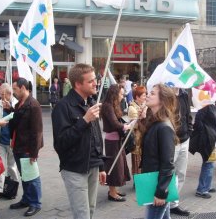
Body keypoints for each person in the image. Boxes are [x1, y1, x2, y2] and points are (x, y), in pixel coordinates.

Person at [52, 63, 106, 219]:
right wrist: (84, 120)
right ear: (78, 84)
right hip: (75, 168)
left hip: (93, 166)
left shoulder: (89, 102)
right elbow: (61, 143)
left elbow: (96, 137)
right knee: (82, 214)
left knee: (90, 209)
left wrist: (101, 165)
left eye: (95, 79)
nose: (95, 83)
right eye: (90, 81)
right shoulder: (63, 107)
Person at [138, 84, 178, 219]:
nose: (148, 95)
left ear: (162, 99)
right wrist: (142, 120)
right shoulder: (155, 121)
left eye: (153, 93)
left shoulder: (164, 126)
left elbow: (168, 162)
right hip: (152, 180)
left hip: (158, 183)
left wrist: (161, 191)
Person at [8, 78, 43, 217]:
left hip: (28, 149)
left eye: (15, 89)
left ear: (23, 88)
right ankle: (26, 199)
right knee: (25, 176)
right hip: (18, 145)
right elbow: (17, 120)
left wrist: (34, 153)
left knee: (32, 177)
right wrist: (9, 109)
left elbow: (37, 131)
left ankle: (35, 203)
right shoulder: (19, 104)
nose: (13, 92)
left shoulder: (33, 105)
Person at [0, 83, 19, 202]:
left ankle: (12, 189)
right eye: (0, 94)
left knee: (12, 166)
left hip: (12, 142)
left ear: (9, 94)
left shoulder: (17, 104)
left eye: (3, 95)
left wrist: (10, 107)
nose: (1, 97)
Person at [101, 84, 131, 202]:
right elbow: (114, 123)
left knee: (119, 166)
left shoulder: (112, 105)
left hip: (116, 140)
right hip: (112, 141)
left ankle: (114, 190)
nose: (122, 96)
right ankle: (112, 193)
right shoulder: (107, 106)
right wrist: (126, 126)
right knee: (114, 167)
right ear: (115, 94)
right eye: (121, 94)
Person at [170, 88, 193, 216]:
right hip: (172, 140)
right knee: (169, 173)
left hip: (184, 139)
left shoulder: (184, 94)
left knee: (181, 173)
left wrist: (189, 130)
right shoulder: (166, 94)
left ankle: (173, 203)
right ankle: (166, 201)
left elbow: (188, 114)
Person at [189, 104, 216, 199]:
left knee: (210, 162)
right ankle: (201, 189)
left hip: (212, 137)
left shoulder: (213, 105)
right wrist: (206, 132)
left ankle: (206, 186)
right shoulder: (205, 105)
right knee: (208, 163)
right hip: (206, 139)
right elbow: (198, 121)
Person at [128, 86, 147, 176]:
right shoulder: (132, 108)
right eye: (144, 95)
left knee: (144, 160)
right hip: (137, 140)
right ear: (137, 97)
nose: (146, 96)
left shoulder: (143, 106)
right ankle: (137, 182)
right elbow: (134, 125)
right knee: (137, 161)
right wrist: (142, 116)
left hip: (144, 138)